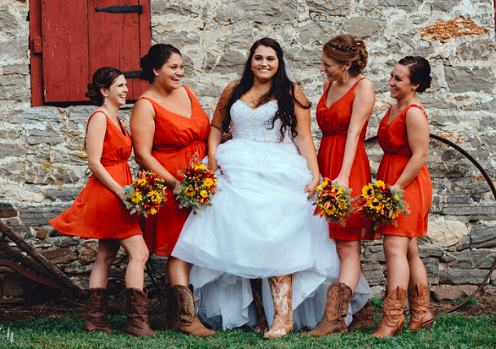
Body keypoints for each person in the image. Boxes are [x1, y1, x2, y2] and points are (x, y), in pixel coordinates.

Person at [171, 38, 371, 339]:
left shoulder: (290, 92)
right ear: (250, 60)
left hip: (279, 169)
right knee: (243, 236)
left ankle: (283, 316)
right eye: (258, 57)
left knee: (277, 236)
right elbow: (216, 129)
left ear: (279, 62)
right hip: (236, 168)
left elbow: (303, 137)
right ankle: (260, 316)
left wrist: (315, 174)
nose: (264, 63)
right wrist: (212, 163)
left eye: (271, 59)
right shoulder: (233, 89)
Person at [49, 67, 154, 337]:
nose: (125, 90)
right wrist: (121, 192)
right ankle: (137, 323)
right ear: (105, 91)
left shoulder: (116, 119)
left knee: (105, 256)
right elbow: (94, 163)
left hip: (120, 191)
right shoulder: (99, 117)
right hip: (110, 194)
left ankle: (95, 321)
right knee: (139, 253)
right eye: (119, 86)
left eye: (125, 85)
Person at [130, 44, 214, 336]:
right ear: (155, 70)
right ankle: (186, 318)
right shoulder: (146, 104)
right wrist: (176, 183)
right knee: (181, 247)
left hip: (198, 180)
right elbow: (143, 155)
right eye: (173, 67)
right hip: (171, 184)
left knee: (191, 243)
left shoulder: (187, 92)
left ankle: (169, 315)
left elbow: (205, 130)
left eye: (181, 67)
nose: (179, 73)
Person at [304, 35, 376, 337]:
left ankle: (336, 317)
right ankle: (362, 309)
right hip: (327, 160)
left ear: (347, 65)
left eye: (328, 65)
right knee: (330, 240)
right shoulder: (328, 85)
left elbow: (355, 133)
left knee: (347, 243)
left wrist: (344, 176)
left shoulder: (364, 87)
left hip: (349, 166)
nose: (323, 69)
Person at [371, 56, 434, 337]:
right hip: (392, 178)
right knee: (409, 250)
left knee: (394, 248)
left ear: (415, 84)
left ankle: (392, 319)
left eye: (399, 79)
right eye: (392, 76)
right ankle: (421, 313)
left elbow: (420, 155)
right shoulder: (395, 106)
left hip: (407, 184)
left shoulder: (413, 112)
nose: (391, 82)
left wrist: (396, 187)